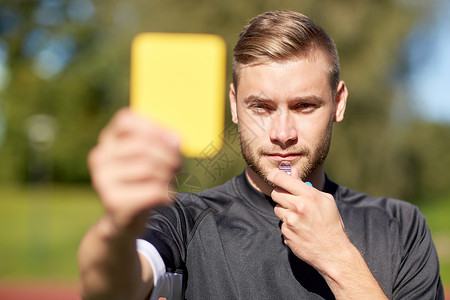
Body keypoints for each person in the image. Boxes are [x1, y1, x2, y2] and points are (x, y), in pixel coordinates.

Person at [78, 10, 444, 300]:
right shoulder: (183, 220)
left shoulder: (402, 225)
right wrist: (117, 227)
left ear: (338, 102)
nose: (282, 134)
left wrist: (338, 258)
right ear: (235, 106)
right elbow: (111, 290)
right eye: (262, 108)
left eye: (303, 106)